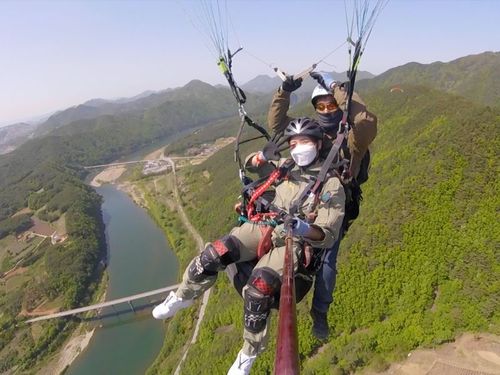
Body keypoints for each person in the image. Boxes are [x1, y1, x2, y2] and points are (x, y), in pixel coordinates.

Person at [152, 117, 345, 375]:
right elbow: (250, 166)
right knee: (215, 253)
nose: (299, 148)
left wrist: (301, 227)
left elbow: (328, 234)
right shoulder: (286, 166)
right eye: (294, 143)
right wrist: (261, 158)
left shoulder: (330, 184)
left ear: (318, 144)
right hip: (267, 225)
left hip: (294, 240)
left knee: (258, 288)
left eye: (305, 142)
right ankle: (183, 296)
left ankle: (250, 351)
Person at [267, 72, 378, 339]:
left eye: (332, 106)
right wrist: (284, 91)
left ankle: (320, 312)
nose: (327, 111)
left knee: (328, 257)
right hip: (302, 199)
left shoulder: (351, 138)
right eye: (321, 106)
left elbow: (364, 123)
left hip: (333, 203)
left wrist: (337, 88)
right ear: (315, 109)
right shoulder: (310, 130)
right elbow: (277, 124)